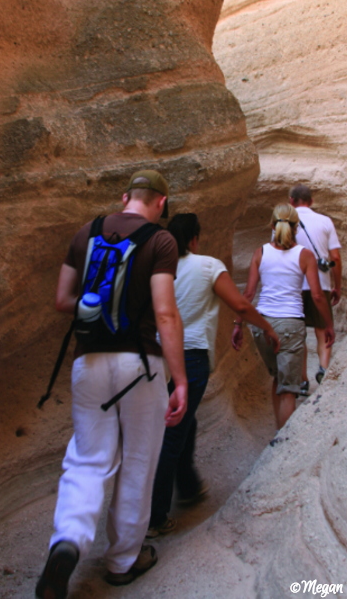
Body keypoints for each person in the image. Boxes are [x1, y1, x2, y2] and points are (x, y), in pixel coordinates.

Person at [35, 170, 188, 599]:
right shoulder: (161, 241)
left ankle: (68, 541)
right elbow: (164, 314)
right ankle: (123, 561)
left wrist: (96, 303)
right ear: (160, 202)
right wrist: (180, 380)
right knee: (138, 461)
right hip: (140, 365)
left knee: (87, 459)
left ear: (124, 197)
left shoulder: (87, 232)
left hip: (89, 362)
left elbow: (62, 300)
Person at [146, 214, 280, 538]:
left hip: (154, 356)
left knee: (185, 421)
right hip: (190, 358)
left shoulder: (158, 269)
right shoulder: (208, 266)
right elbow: (241, 305)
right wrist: (267, 328)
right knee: (173, 436)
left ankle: (188, 485)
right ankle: (155, 517)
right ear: (194, 238)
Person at [232, 204, 335, 430]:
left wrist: (238, 325)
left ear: (272, 225)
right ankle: (282, 446)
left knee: (278, 379)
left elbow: (248, 294)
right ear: (296, 228)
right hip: (289, 326)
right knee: (289, 390)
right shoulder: (304, 255)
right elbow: (317, 296)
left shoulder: (260, 252)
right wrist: (328, 324)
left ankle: (277, 435)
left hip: (261, 325)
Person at [289, 184, 342, 386]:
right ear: (311, 202)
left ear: (291, 201)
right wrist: (337, 285)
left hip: (294, 286)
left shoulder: (284, 224)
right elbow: (335, 256)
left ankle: (302, 381)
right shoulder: (325, 221)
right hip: (321, 285)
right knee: (323, 331)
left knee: (299, 334)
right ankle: (324, 369)